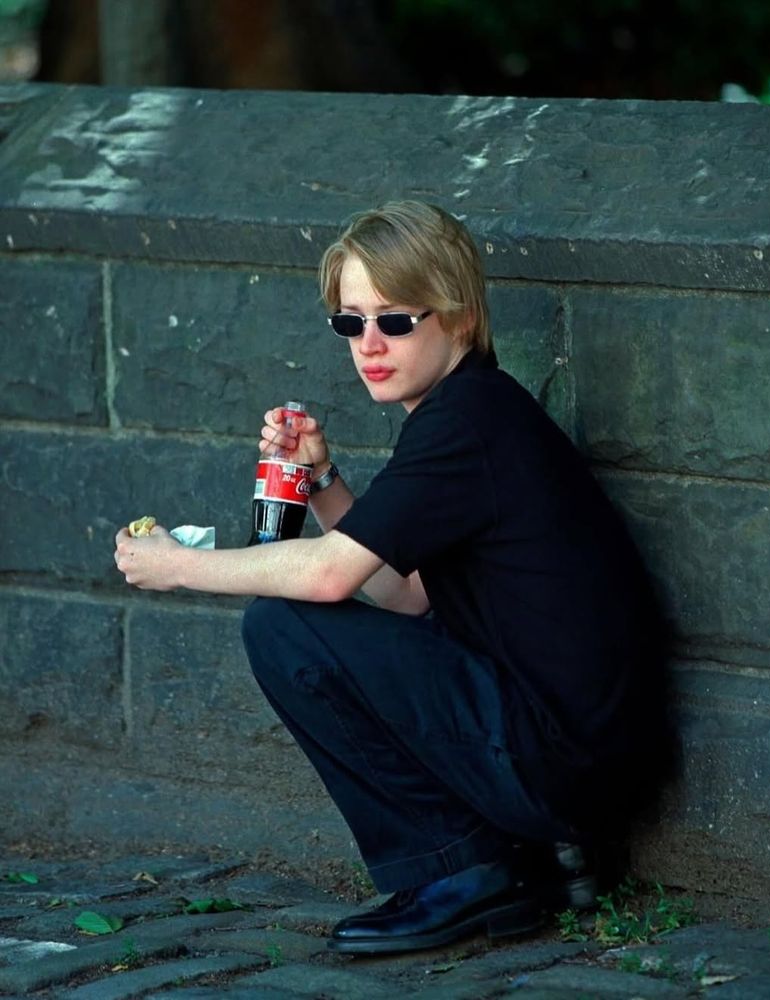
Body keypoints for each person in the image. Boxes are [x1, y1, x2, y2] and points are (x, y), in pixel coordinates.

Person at [114, 200, 670, 956]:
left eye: (395, 320)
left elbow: (331, 579)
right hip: (581, 764)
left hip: (569, 764)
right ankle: (512, 862)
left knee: (284, 626)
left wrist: (178, 567)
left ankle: (467, 870)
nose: (369, 345)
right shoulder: (471, 411)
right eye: (351, 322)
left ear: (460, 319)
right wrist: (323, 482)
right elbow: (406, 595)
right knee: (306, 620)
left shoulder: (466, 419)